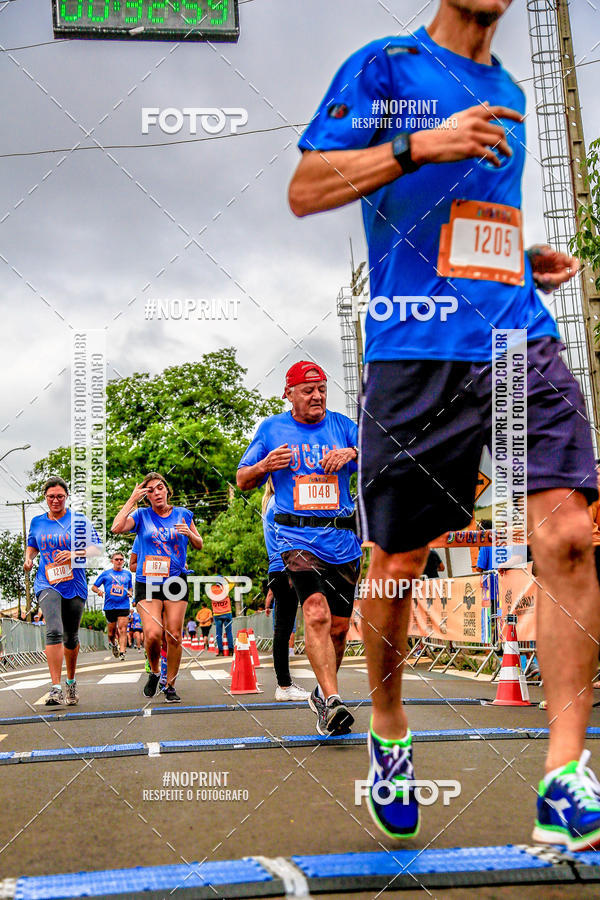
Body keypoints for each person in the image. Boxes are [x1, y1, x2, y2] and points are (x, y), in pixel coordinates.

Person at [289, 0, 600, 849]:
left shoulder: (510, 92)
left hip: (516, 338)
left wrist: (520, 262)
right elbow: (307, 189)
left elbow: (465, 228)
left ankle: (565, 776)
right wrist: (419, 144)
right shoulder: (387, 66)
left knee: (569, 535)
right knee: (397, 562)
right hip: (415, 349)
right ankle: (389, 726)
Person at [237, 361, 361, 735]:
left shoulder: (343, 426)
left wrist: (353, 454)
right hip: (297, 538)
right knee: (316, 612)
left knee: (339, 629)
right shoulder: (271, 429)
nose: (317, 396)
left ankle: (323, 695)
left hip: (343, 541)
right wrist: (264, 464)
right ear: (288, 394)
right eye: (308, 390)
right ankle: (334, 701)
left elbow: (383, 455)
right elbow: (242, 478)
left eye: (321, 388)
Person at [111, 472, 203, 703]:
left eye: (160, 488)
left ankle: (170, 685)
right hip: (148, 581)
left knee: (174, 635)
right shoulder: (141, 515)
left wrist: (190, 534)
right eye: (150, 491)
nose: (157, 493)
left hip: (175, 580)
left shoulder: (183, 514)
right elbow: (116, 528)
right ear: (146, 497)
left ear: (167, 490)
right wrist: (132, 499)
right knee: (152, 634)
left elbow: (199, 544)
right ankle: (154, 671)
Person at [24, 476, 102, 705]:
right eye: (51, 497)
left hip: (74, 583)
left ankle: (71, 681)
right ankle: (55, 688)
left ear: (66, 496)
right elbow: (32, 545)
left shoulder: (79, 520)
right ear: (45, 498)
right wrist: (29, 559)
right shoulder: (37, 522)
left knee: (71, 637)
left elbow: (96, 548)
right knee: (54, 630)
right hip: (47, 582)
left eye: (59, 496)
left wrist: (74, 554)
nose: (55, 500)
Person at [262, 476, 309, 700]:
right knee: (284, 629)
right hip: (287, 566)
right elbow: (289, 538)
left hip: (278, 568)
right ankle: (284, 685)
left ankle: (284, 684)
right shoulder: (279, 502)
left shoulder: (270, 503)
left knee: (283, 628)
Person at [91, 551, 133, 661]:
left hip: (123, 605)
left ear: (123, 561)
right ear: (112, 561)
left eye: (121, 559)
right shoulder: (106, 574)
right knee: (111, 633)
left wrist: (130, 592)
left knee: (123, 629)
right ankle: (114, 644)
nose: (119, 561)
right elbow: (94, 587)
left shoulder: (127, 574)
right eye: (116, 559)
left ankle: (122, 652)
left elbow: (130, 588)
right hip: (110, 606)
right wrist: (99, 591)